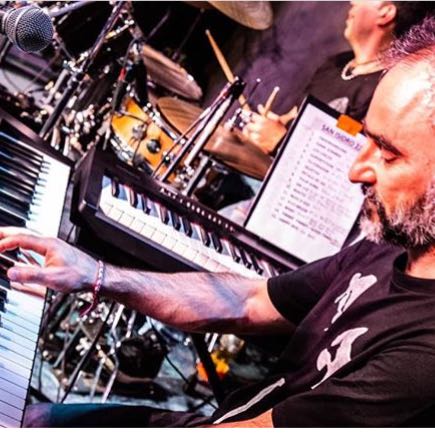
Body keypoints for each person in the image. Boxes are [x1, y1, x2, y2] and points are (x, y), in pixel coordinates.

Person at [1, 14, 435, 429]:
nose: (355, 171)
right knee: (29, 418)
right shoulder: (387, 248)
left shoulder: (423, 356)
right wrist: (97, 275)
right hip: (223, 418)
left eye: (387, 153)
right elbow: (249, 302)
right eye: (366, 141)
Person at [219, 0, 435, 225]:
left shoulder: (384, 89)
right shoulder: (336, 63)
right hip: (275, 176)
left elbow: (353, 165)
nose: (352, 3)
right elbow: (296, 114)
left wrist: (281, 141)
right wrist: (275, 123)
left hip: (305, 209)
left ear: (386, 12)